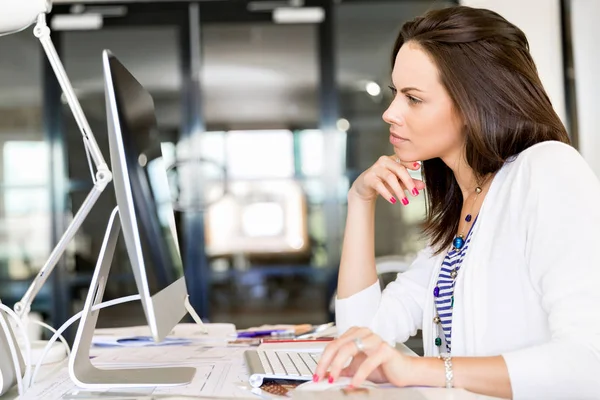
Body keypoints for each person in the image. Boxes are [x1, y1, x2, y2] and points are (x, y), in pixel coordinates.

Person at [314, 5, 600, 400]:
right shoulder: (463, 209)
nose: (390, 112)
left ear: (474, 103)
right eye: (396, 93)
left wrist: (417, 369)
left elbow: (589, 363)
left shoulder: (548, 169)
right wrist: (359, 201)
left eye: (413, 98)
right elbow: (359, 339)